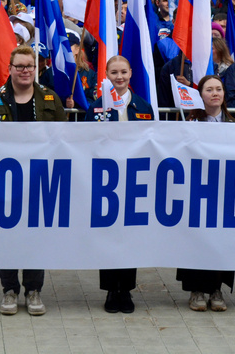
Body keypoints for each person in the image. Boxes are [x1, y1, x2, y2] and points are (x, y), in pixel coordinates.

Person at [0, 45, 66, 316]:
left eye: (30, 66)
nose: (25, 70)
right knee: (5, 236)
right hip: (3, 180)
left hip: (40, 179)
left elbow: (64, 139)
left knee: (35, 236)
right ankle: (9, 290)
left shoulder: (50, 98)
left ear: (36, 69)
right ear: (10, 69)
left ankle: (33, 290)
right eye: (20, 66)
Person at [83, 56, 154, 313]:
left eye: (124, 71)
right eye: (114, 72)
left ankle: (127, 290)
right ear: (106, 74)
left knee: (130, 236)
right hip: (106, 181)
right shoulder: (96, 107)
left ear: (131, 73)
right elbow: (87, 143)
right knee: (110, 235)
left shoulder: (144, 106)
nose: (119, 77)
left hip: (135, 180)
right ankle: (111, 290)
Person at [176, 74, 235, 312]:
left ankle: (216, 288)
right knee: (196, 239)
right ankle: (196, 290)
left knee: (221, 240)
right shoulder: (190, 125)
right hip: (196, 192)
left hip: (225, 192)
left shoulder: (234, 126)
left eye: (219, 89)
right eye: (209, 89)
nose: (215, 93)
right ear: (200, 96)